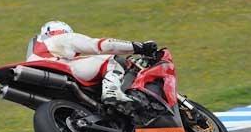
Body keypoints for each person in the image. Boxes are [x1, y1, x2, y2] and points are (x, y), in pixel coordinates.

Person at [27, 20, 156, 104]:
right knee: (111, 58)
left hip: (35, 78)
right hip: (59, 68)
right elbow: (99, 46)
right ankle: (111, 91)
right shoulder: (63, 38)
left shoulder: (37, 47)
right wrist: (138, 47)